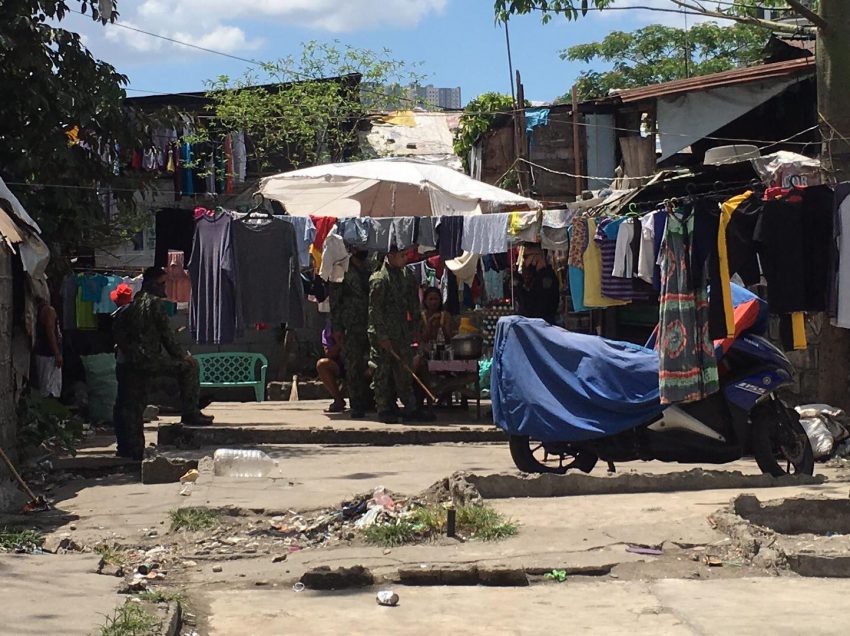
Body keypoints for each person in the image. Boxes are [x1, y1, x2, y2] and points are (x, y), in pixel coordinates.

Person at [113, 267, 212, 459]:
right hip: (148, 362)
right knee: (190, 367)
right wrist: (182, 356)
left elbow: (118, 336)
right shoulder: (154, 304)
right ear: (154, 284)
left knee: (128, 406)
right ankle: (190, 412)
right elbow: (167, 337)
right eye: (163, 283)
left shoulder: (129, 306)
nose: (165, 287)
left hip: (127, 364)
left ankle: (128, 448)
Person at [368, 247, 434, 424]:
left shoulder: (406, 276)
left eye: (406, 255)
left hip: (402, 332)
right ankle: (384, 408)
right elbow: (375, 313)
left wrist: (417, 329)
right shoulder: (379, 280)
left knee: (404, 371)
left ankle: (410, 407)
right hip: (384, 334)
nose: (406, 259)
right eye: (402, 255)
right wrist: (382, 337)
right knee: (382, 372)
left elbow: (413, 305)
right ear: (390, 255)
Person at [329, 248, 373, 418]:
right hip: (350, 325)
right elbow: (335, 300)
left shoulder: (372, 266)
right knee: (353, 365)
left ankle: (373, 400)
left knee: (372, 364)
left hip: (371, 323)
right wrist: (337, 327)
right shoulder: (341, 268)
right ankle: (357, 404)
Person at [514, 247, 561, 324]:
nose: (524, 261)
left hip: (543, 323)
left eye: (526, 257)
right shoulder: (538, 276)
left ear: (537, 256)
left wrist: (521, 291)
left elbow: (542, 302)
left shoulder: (546, 277)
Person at [32, 284, 62, 399]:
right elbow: (50, 332)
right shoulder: (49, 310)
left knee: (46, 383)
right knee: (50, 386)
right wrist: (57, 353)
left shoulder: (38, 310)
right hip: (48, 353)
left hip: (44, 351)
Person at [316, 321, 346, 413]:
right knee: (322, 365)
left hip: (360, 363)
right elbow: (328, 353)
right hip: (341, 365)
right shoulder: (328, 331)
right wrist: (339, 343)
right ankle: (338, 400)